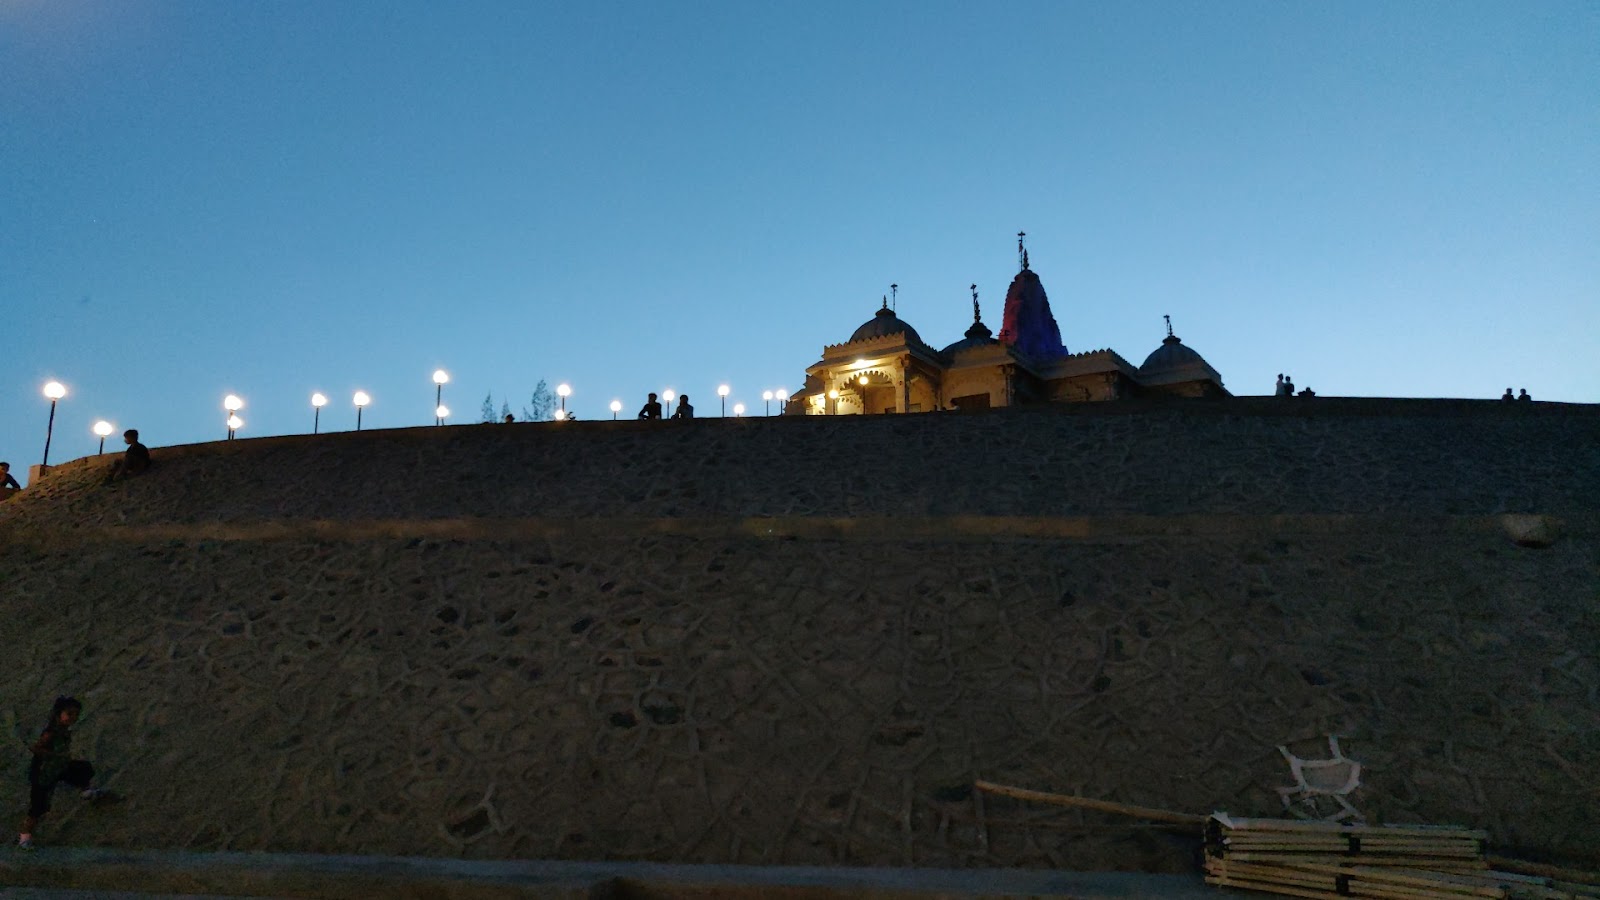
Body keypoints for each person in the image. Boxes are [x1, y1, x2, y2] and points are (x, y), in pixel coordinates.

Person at [17, 697, 102, 850]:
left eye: (76, 714)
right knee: (38, 807)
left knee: (83, 768)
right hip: (44, 773)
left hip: (59, 768)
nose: (73, 718)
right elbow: (36, 748)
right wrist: (54, 755)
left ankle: (86, 790)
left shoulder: (64, 731)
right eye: (70, 714)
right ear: (59, 715)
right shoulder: (51, 732)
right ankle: (24, 837)